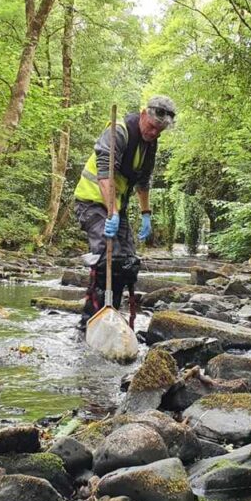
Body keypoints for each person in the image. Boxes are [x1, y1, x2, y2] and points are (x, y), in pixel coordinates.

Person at [72, 95, 176, 330]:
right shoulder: (118, 132)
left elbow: (143, 181)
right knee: (109, 258)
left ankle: (112, 315)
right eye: (151, 127)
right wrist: (113, 212)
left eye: (159, 131)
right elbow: (104, 174)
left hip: (117, 206)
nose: (153, 133)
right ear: (143, 115)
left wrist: (146, 213)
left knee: (128, 263)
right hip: (92, 201)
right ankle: (89, 322)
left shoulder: (150, 144)